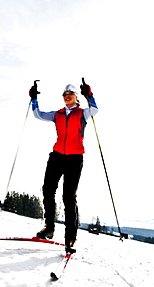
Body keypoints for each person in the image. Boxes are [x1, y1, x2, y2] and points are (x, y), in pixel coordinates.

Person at [29, 80, 98, 254]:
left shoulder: (83, 113)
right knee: (48, 190)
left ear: (76, 98)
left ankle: (70, 239)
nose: (67, 98)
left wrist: (89, 95)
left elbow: (95, 110)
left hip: (75, 158)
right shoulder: (57, 114)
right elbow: (38, 115)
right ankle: (49, 228)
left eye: (70, 95)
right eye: (65, 95)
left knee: (68, 197)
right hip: (57, 156)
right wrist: (34, 98)